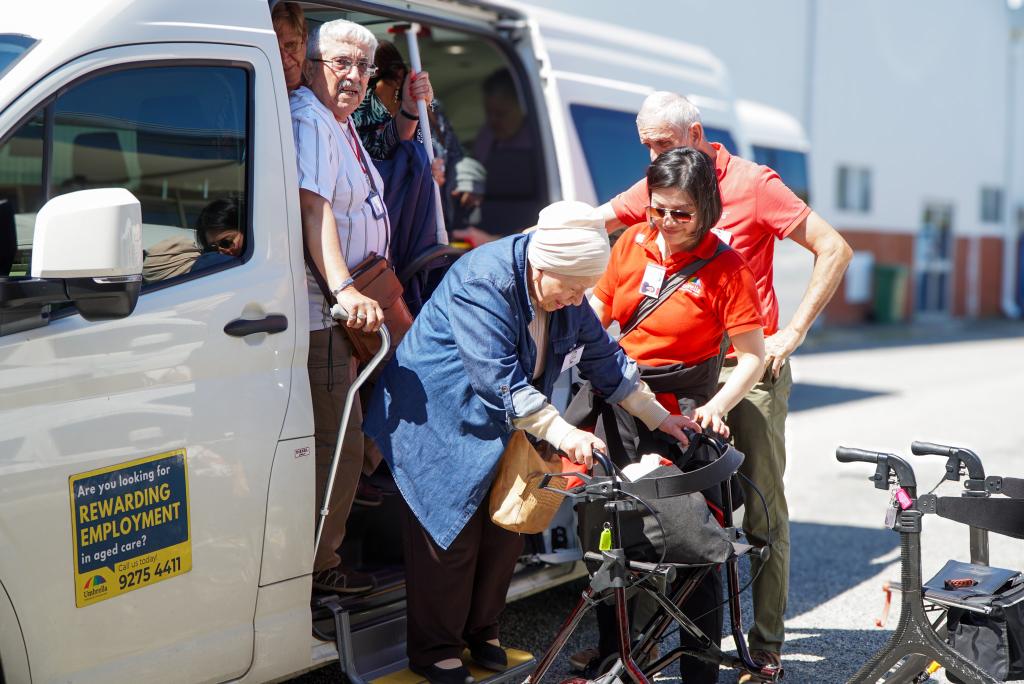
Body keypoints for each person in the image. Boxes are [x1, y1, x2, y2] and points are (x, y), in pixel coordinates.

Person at [363, 200, 700, 684]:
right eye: (571, 290)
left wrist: (660, 416)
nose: (576, 300)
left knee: (509, 524)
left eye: (583, 291)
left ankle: (483, 631)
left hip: (509, 421)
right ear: (543, 268)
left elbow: (604, 359)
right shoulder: (484, 280)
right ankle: (435, 647)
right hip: (436, 413)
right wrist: (564, 433)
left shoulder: (566, 288)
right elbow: (498, 379)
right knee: (451, 532)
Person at [597, 91, 853, 681]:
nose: (652, 157)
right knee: (663, 504)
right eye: (647, 147)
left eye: (662, 143)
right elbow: (600, 227)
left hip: (747, 364)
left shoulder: (755, 184)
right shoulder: (663, 185)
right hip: (683, 376)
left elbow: (834, 248)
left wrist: (791, 332)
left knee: (760, 508)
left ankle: (764, 645)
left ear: (695, 133)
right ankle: (634, 644)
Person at [585, 147, 765, 683]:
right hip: (621, 399)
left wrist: (716, 406)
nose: (665, 223)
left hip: (687, 407)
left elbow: (752, 355)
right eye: (657, 209)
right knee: (608, 536)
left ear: (707, 209)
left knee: (695, 545)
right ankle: (614, 654)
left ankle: (699, 669)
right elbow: (595, 317)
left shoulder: (727, 267)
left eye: (680, 213)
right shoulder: (630, 243)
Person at [290, 18, 394, 595]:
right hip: (328, 311)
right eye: (342, 64)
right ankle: (316, 575)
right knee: (338, 449)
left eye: (363, 67)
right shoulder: (310, 116)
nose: (354, 77)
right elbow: (314, 207)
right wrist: (343, 288)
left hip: (357, 304)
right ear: (309, 65)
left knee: (359, 438)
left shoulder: (339, 122)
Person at [351, 41, 434, 161]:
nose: (365, 87)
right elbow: (377, 154)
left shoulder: (426, 108)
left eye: (373, 77)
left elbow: (451, 155)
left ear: (398, 75)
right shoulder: (353, 116)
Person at [272, 2, 307, 92]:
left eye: (291, 45)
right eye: (274, 49)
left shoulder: (323, 90)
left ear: (304, 39)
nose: (284, 59)